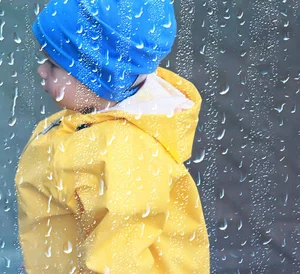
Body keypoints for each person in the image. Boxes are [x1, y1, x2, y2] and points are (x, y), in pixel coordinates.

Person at [15, 0, 210, 273]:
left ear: (97, 75)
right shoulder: (89, 122)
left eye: (54, 64)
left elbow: (121, 255)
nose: (41, 71)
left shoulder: (128, 151)